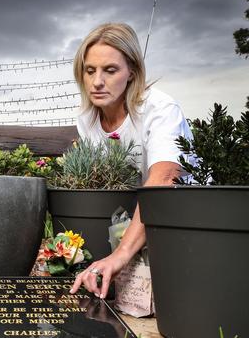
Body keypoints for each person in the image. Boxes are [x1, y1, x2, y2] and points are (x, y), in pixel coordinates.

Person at [69, 23, 193, 298]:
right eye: (90, 71)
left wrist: (121, 253)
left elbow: (164, 179)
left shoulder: (159, 109)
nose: (97, 81)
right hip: (137, 220)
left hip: (185, 219)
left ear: (132, 72)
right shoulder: (87, 120)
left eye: (110, 70)